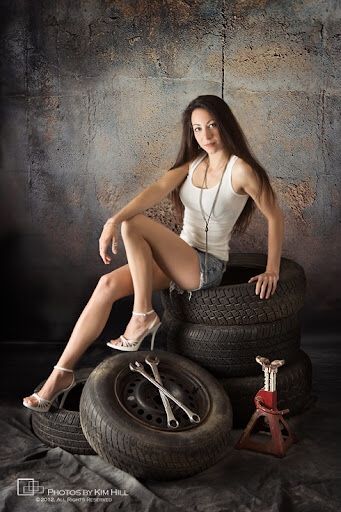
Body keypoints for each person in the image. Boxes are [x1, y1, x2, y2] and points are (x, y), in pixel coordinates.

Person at [23, 94, 284, 412]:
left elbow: (274, 216)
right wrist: (113, 219)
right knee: (106, 284)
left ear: (226, 125)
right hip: (180, 256)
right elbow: (157, 189)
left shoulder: (240, 170)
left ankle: (142, 314)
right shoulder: (194, 163)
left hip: (205, 265)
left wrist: (273, 269)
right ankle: (60, 375)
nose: (206, 135)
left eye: (213, 126)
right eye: (198, 129)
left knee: (134, 225)